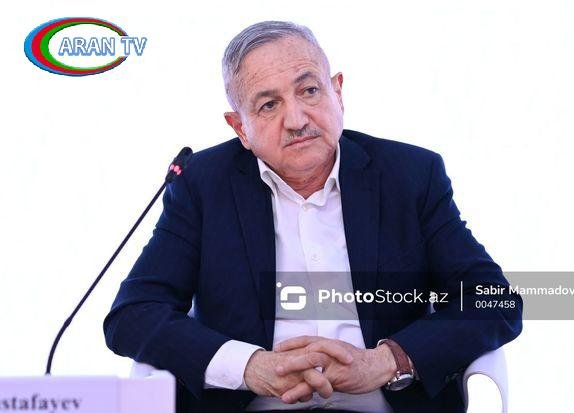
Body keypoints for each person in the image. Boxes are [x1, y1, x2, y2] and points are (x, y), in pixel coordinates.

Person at [104, 21, 522, 413]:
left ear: (337, 92)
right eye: (269, 105)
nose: (297, 119)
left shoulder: (410, 175)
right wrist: (249, 366)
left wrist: (388, 360)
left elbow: (496, 300)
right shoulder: (202, 185)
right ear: (241, 128)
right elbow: (134, 314)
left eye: (309, 91)